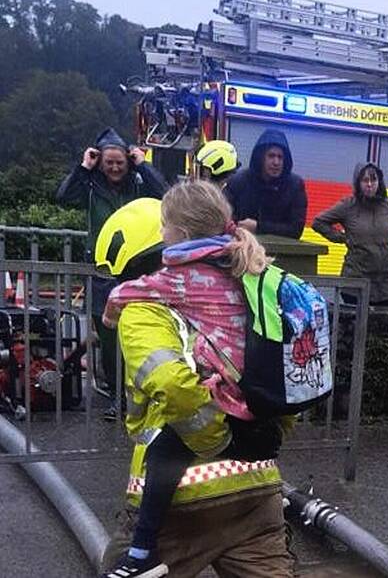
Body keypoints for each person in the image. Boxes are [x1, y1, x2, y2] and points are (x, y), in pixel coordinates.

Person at [95, 195, 292, 578]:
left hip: (179, 501)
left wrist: (218, 440)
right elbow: (283, 368)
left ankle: (138, 556)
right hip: (258, 489)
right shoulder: (245, 291)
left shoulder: (143, 308)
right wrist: (268, 430)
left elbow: (171, 384)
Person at [56, 127, 168, 418]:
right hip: (103, 270)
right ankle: (118, 398)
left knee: (143, 334)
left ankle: (145, 395)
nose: (116, 167)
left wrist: (144, 163)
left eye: (120, 162)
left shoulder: (139, 182)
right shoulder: (90, 185)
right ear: (100, 162)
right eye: (109, 162)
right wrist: (83, 167)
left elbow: (167, 195)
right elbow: (64, 197)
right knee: (108, 340)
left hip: (138, 267)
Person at [312, 162, 388, 305]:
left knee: (382, 326)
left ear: (379, 182)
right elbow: (318, 222)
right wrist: (342, 238)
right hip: (355, 284)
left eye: (373, 180)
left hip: (386, 284)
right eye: (365, 180)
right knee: (354, 326)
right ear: (358, 182)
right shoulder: (348, 206)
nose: (369, 184)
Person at [224, 129, 307, 239]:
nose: (276, 162)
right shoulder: (238, 182)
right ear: (260, 157)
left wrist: (259, 227)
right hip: (241, 248)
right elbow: (222, 218)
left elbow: (295, 230)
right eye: (271, 156)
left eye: (280, 157)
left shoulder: (295, 186)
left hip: (282, 252)